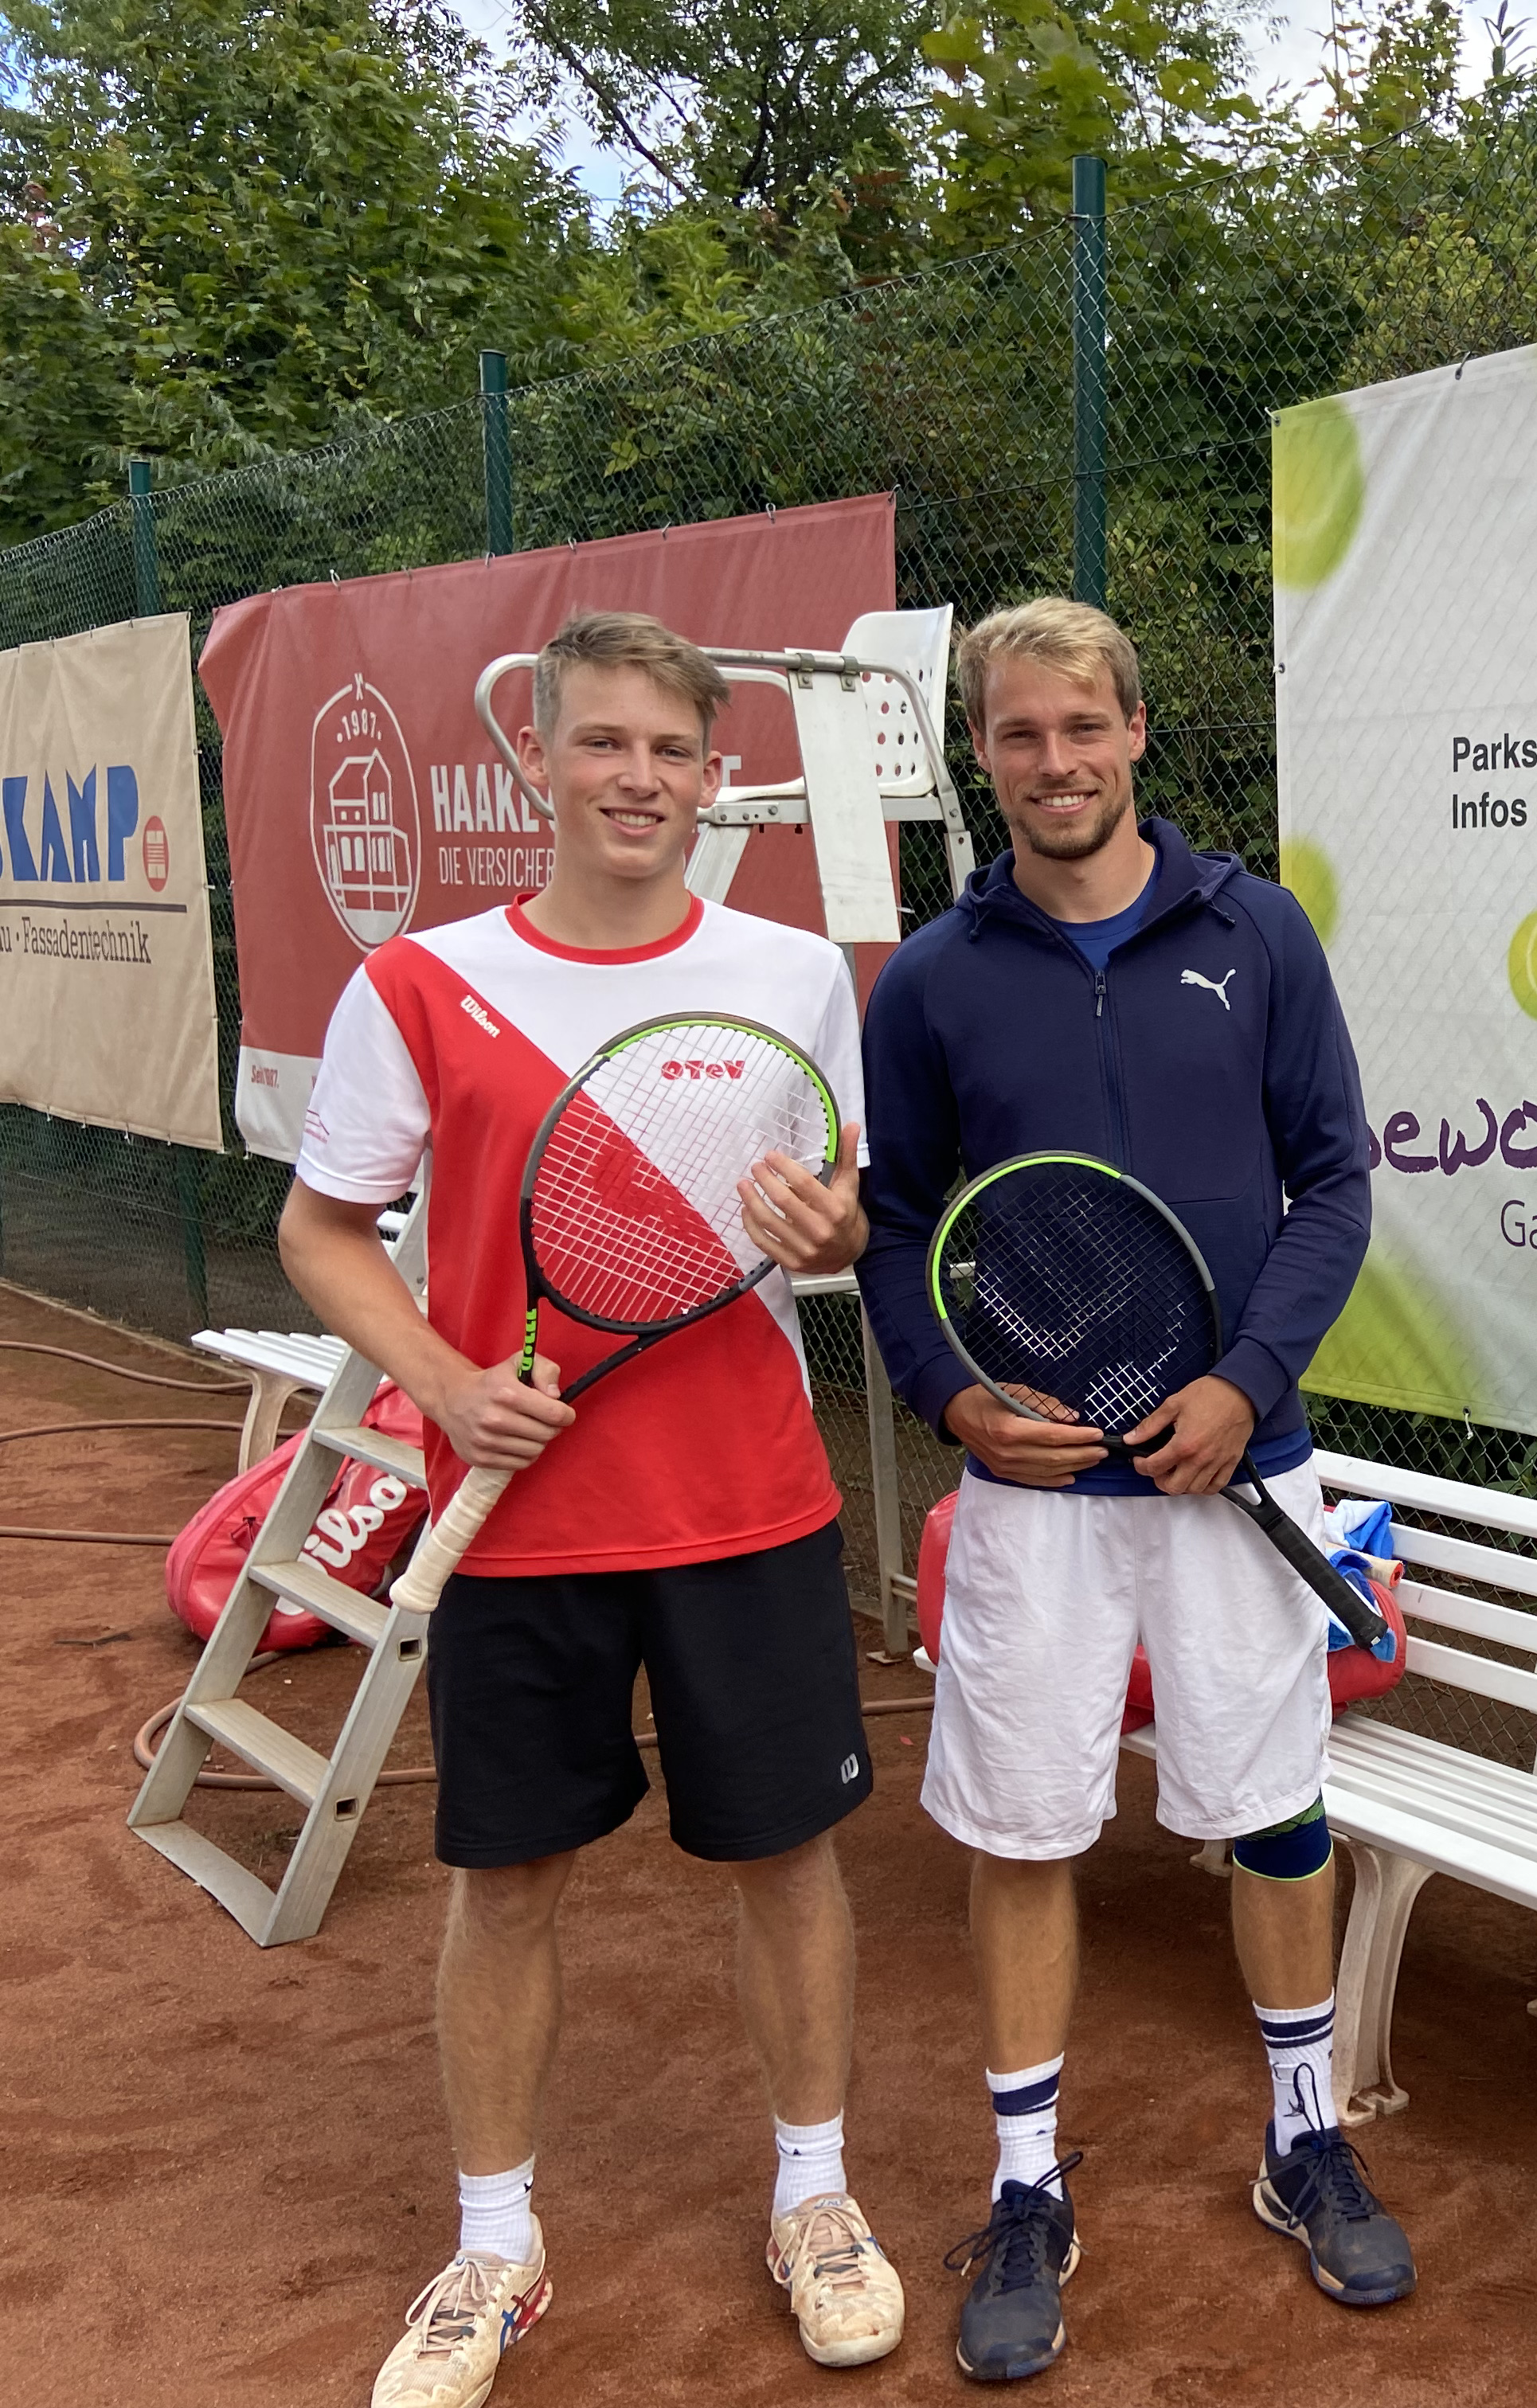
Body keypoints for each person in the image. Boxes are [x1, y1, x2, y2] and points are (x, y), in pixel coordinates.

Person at [281, 611, 904, 2408]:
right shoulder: (422, 983)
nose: (640, 779)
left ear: (716, 778)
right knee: (505, 1882)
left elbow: (839, 1216)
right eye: (604, 743)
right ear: (534, 760)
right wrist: (442, 1381)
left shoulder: (796, 974)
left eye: (672, 752)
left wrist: (838, 1233)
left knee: (789, 1864)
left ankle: (815, 2199)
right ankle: (495, 2245)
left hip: (748, 1508)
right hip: (523, 1527)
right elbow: (322, 1230)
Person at [857, 596, 1408, 2383]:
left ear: (1138, 733)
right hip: (1035, 1495)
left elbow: (1333, 1182)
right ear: (982, 752)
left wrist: (1246, 1385)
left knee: (1275, 1813)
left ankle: (1304, 2137)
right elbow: (892, 1230)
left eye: (1082, 726)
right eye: (1019, 733)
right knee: (1024, 1831)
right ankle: (1027, 2181)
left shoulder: (1257, 934)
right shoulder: (933, 980)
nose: (1055, 762)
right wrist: (952, 1396)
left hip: (1241, 1465)